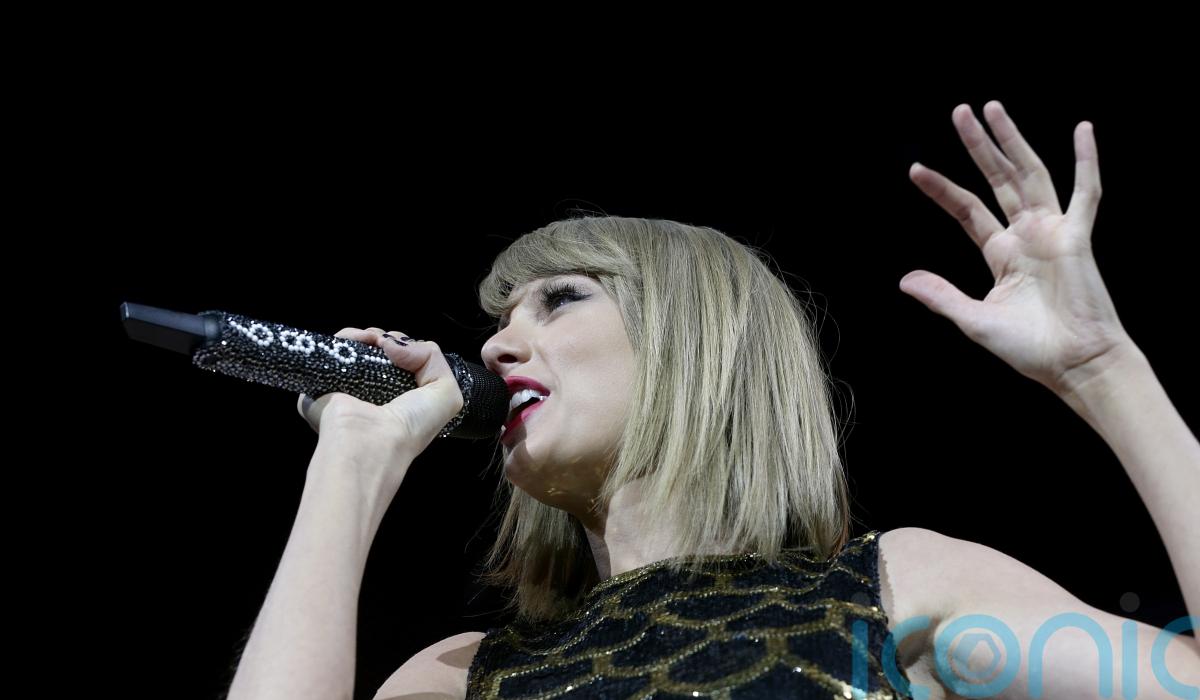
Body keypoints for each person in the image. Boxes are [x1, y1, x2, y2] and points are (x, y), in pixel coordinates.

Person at [225, 101, 1199, 699]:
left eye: (560, 300)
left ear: (693, 341)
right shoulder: (461, 675)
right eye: (500, 321)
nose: (494, 346)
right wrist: (353, 459)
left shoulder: (897, 589)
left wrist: (1102, 370)